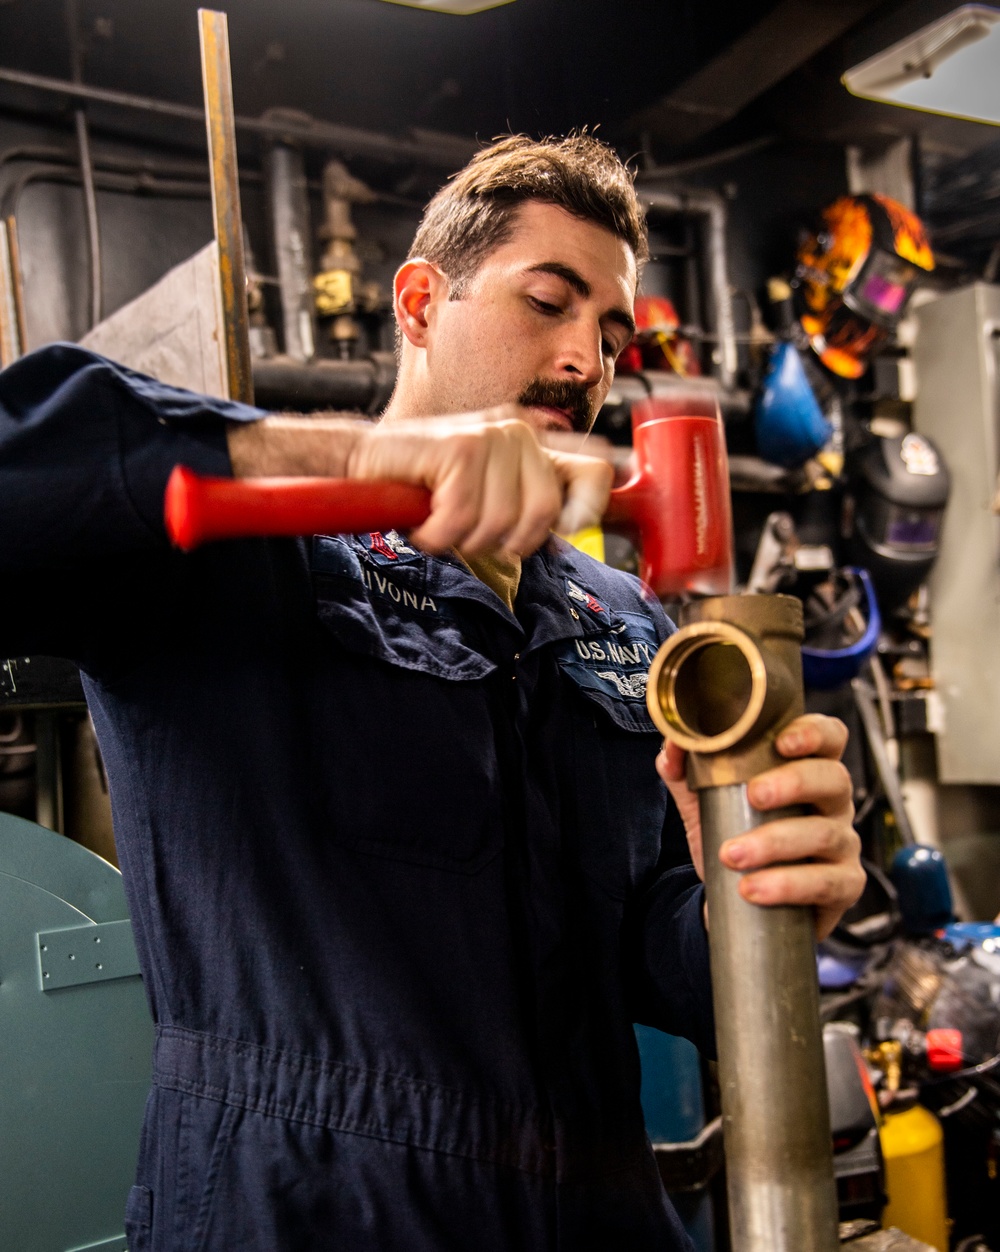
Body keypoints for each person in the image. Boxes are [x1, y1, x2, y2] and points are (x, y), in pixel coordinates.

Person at [0, 133, 863, 1251]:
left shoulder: (622, 620)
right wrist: (354, 464)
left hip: (597, 1216)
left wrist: (753, 894)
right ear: (416, 302)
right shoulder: (247, 565)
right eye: (547, 303)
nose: (585, 363)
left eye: (612, 336)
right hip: (307, 1214)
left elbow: (659, 957)